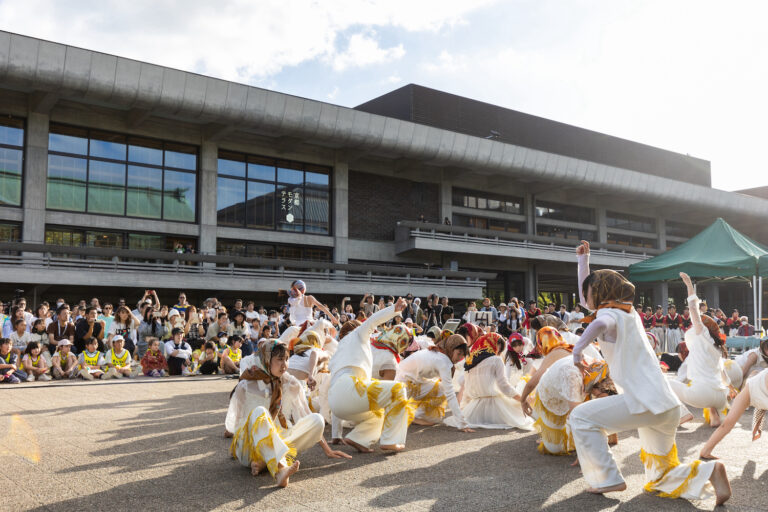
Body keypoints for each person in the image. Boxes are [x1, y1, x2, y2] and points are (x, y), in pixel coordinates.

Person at [567, 240, 730, 505]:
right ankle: (709, 470)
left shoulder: (609, 316)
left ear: (599, 294)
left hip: (642, 402)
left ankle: (607, 479)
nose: (585, 300)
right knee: (659, 478)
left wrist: (577, 353)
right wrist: (583, 262)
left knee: (581, 417)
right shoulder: (628, 314)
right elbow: (592, 307)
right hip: (664, 406)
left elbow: (598, 321)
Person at [225, 340, 350, 487]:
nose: (284, 364)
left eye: (286, 359)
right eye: (279, 359)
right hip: (250, 449)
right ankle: (280, 469)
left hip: (281, 438)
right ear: (266, 359)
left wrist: (328, 450)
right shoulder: (246, 385)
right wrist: (232, 435)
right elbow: (233, 426)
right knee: (260, 412)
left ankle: (266, 461)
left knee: (317, 420)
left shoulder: (291, 383)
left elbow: (305, 415)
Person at [328, 299, 414, 453]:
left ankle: (359, 439)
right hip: (349, 392)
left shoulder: (339, 351)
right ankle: (391, 441)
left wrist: (336, 435)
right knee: (399, 389)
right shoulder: (358, 334)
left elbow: (338, 391)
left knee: (379, 411)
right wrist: (394, 309)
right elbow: (372, 321)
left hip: (337, 404)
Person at [668, 273, 731, 427]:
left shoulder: (702, 334)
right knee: (704, 381)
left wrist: (689, 284)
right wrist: (730, 387)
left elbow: (693, 309)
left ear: (704, 327)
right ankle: (715, 416)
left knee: (662, 381)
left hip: (703, 395)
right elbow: (722, 373)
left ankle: (683, 414)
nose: (693, 322)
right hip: (720, 398)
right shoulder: (716, 347)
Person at [396, 334, 474, 431]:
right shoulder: (443, 361)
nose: (459, 358)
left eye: (463, 355)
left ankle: (415, 416)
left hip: (409, 381)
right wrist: (462, 424)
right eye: (459, 353)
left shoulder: (440, 352)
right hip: (402, 385)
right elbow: (450, 393)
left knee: (441, 389)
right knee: (444, 391)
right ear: (451, 348)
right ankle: (412, 416)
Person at [457, 332, 533, 430]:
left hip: (475, 409)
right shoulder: (496, 360)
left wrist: (463, 408)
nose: (498, 352)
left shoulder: (470, 362)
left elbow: (467, 388)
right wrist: (521, 399)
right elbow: (504, 386)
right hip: (496, 407)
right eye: (499, 349)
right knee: (523, 415)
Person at [699, 368, 768, 459]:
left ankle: (753, 374)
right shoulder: (751, 386)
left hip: (758, 387)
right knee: (728, 423)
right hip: (752, 389)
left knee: (754, 374)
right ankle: (705, 451)